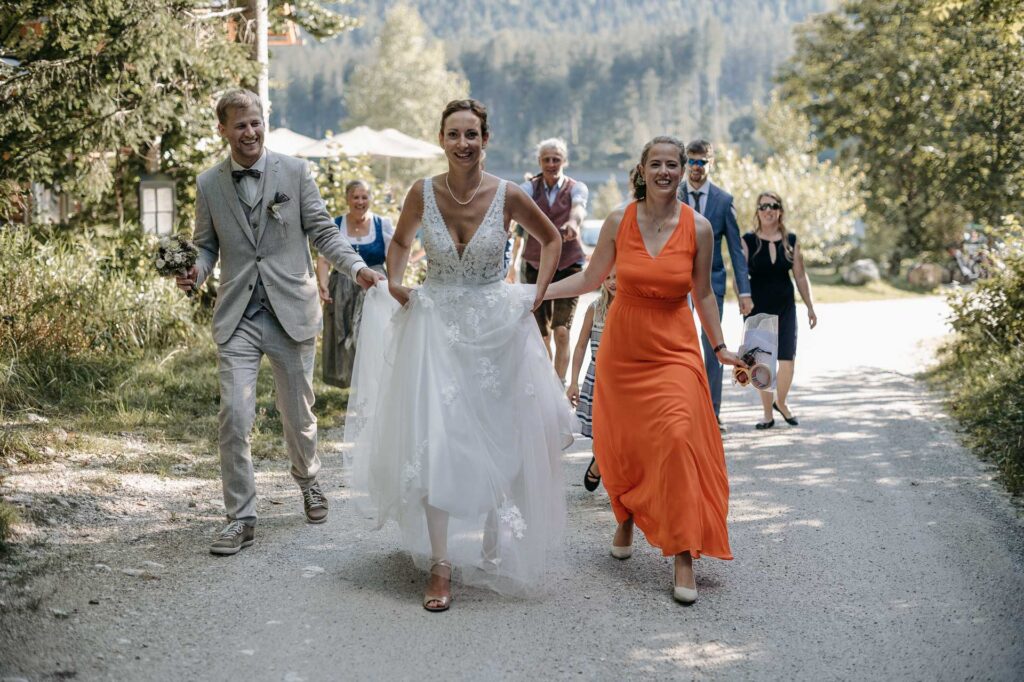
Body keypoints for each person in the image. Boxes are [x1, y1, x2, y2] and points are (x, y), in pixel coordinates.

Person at [344, 99, 573, 612]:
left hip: (496, 329)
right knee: (437, 439)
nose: (463, 143)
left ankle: (496, 529)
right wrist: (398, 284)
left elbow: (552, 239)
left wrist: (533, 299)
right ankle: (441, 565)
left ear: (485, 139)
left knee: (499, 432)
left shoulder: (509, 194)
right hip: (436, 330)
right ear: (442, 139)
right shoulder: (421, 192)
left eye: (472, 134)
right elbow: (399, 241)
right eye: (454, 134)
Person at [175, 89, 384, 556]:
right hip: (239, 316)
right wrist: (197, 271)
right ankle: (240, 517)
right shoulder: (209, 183)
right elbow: (205, 245)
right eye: (240, 125)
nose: (250, 132)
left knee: (298, 414)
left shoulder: (295, 171)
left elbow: (324, 231)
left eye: (256, 123)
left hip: (291, 310)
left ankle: (309, 480)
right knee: (235, 414)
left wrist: (356, 268)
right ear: (223, 129)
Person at [545, 136, 746, 605]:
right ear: (642, 169)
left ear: (681, 170)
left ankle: (682, 553)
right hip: (624, 346)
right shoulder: (620, 219)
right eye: (655, 164)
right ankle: (626, 516)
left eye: (672, 164)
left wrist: (718, 346)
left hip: (674, 345)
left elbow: (705, 294)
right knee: (628, 441)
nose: (665, 172)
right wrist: (538, 294)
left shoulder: (698, 228)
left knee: (676, 437)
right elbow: (592, 279)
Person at [677, 140, 752, 432]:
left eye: (701, 162)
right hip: (678, 281)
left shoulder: (723, 200)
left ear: (711, 163)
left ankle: (711, 413)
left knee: (713, 347)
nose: (696, 168)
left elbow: (735, 251)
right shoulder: (673, 193)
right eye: (692, 162)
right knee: (679, 343)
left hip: (713, 283)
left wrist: (743, 291)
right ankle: (682, 410)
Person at [508, 138, 589, 382]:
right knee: (541, 335)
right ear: (539, 162)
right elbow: (514, 212)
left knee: (561, 332)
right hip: (535, 264)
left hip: (569, 265)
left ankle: (560, 383)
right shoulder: (528, 188)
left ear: (564, 161)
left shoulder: (577, 187)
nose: (551, 164)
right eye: (546, 160)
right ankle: (547, 385)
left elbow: (578, 209)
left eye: (556, 159)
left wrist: (573, 223)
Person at [741, 191, 818, 429]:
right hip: (757, 307)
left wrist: (810, 307)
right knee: (762, 363)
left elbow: (801, 276)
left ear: (780, 210)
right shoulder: (748, 240)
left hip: (785, 306)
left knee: (787, 361)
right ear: (757, 211)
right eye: (763, 206)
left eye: (773, 206)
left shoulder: (790, 240)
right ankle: (767, 414)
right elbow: (740, 274)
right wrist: (742, 297)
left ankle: (781, 403)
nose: (768, 210)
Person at [315, 180, 395, 388]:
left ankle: (374, 383)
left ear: (370, 199)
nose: (360, 201)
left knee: (373, 334)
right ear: (347, 199)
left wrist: (395, 287)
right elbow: (324, 258)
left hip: (374, 288)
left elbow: (394, 258)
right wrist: (323, 285)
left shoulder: (382, 225)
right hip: (341, 286)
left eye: (364, 197)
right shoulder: (336, 224)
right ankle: (348, 383)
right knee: (343, 333)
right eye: (355, 197)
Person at [566, 269, 616, 492]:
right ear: (602, 280)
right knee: (601, 433)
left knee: (620, 433)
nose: (613, 282)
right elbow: (580, 346)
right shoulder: (594, 309)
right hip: (597, 380)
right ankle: (600, 461)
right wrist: (574, 381)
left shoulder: (633, 307)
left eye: (618, 276)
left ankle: (613, 477)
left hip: (624, 380)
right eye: (608, 277)